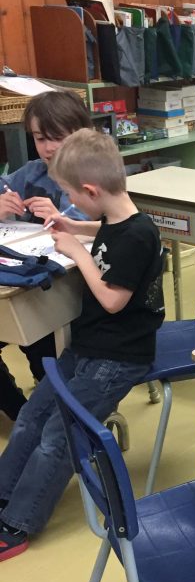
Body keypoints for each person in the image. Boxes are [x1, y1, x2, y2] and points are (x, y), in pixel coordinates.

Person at [0, 130, 165, 561]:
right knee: (31, 416)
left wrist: (78, 251)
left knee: (58, 435)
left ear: (91, 190)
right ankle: (3, 492)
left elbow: (112, 300)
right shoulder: (116, 218)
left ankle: (18, 522)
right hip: (89, 347)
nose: (69, 200)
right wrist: (74, 225)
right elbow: (106, 230)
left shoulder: (139, 235)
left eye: (72, 195)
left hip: (118, 358)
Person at [0, 89, 92, 421]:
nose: (49, 148)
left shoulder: (94, 176)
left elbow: (99, 223)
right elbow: (4, 186)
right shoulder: (32, 173)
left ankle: (49, 408)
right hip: (28, 285)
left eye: (58, 137)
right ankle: (20, 411)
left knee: (42, 349)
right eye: (41, 138)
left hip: (68, 293)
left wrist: (62, 217)